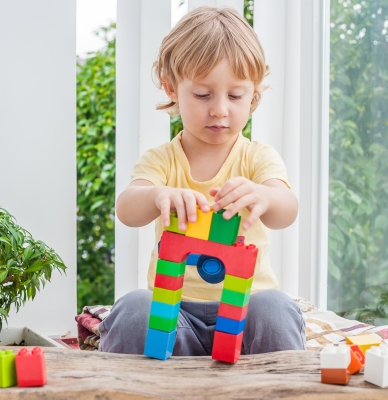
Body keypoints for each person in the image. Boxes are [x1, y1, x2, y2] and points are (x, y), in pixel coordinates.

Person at [101, 5, 305, 356]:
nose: (220, 109)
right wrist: (156, 195)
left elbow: (287, 210)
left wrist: (264, 196)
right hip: (174, 314)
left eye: (236, 95)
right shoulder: (161, 160)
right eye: (202, 95)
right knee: (133, 308)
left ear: (253, 94)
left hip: (247, 310)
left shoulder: (258, 157)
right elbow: (127, 209)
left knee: (277, 308)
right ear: (171, 88)